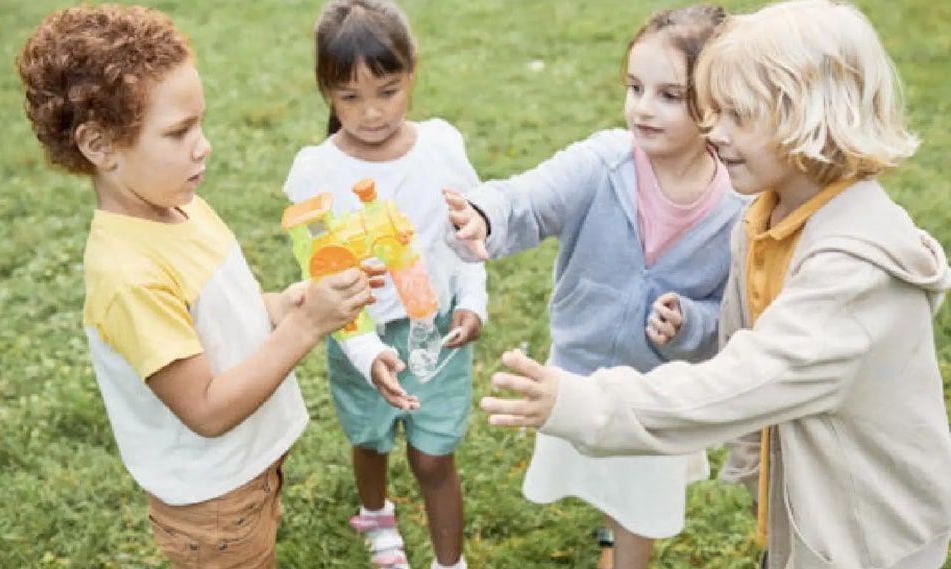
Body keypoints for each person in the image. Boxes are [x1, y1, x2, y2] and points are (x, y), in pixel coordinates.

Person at [478, 1, 951, 568]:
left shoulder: (854, 276)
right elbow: (734, 342)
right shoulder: (763, 218)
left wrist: (581, 401)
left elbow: (737, 381)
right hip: (808, 511)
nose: (712, 131)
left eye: (736, 115)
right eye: (711, 110)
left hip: (868, 537)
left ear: (813, 116)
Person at [17, 6, 380, 567]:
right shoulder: (128, 276)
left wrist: (287, 305)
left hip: (246, 473)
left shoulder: (180, 207)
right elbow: (206, 410)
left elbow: (222, 315)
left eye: (200, 123)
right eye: (179, 131)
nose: (203, 145)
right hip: (213, 502)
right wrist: (308, 328)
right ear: (99, 146)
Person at [444, 5, 741, 568]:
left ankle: (624, 556)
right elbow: (528, 197)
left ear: (717, 105)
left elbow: (726, 315)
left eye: (669, 95)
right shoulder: (604, 162)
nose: (642, 108)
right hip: (578, 369)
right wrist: (484, 214)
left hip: (656, 393)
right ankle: (610, 537)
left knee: (638, 502)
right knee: (605, 480)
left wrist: (688, 325)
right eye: (635, 87)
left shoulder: (736, 206)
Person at [281, 2, 487, 568]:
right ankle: (376, 516)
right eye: (349, 97)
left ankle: (451, 564)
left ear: (413, 70)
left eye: (388, 91)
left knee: (433, 457)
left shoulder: (441, 146)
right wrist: (367, 352)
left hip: (437, 334)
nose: (371, 113)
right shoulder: (316, 173)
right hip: (360, 337)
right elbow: (322, 278)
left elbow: (464, 236)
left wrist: (472, 301)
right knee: (370, 440)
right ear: (325, 90)